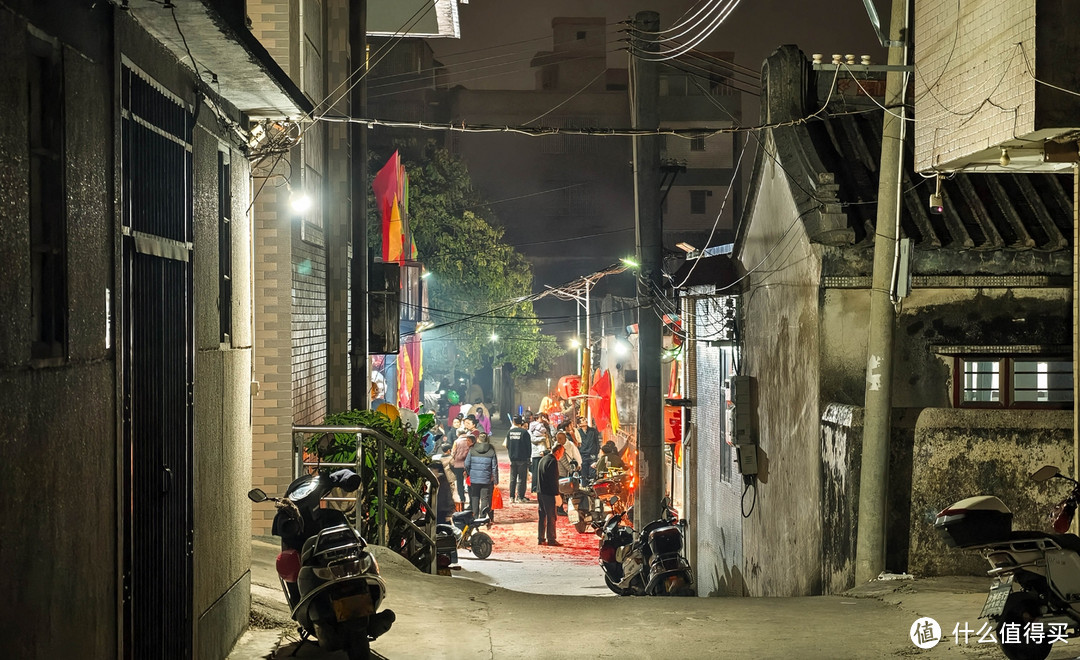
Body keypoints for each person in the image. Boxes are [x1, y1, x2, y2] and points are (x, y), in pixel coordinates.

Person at [464, 431, 499, 519]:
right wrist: (495, 480)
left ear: (478, 439)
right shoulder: (491, 450)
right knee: (484, 498)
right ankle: (482, 516)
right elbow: (494, 467)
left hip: (474, 478)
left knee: (475, 497)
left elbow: (467, 464)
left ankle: (475, 516)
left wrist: (470, 473)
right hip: (486, 479)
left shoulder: (472, 449)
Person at [535, 448, 561, 546]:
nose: (561, 456)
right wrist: (556, 494)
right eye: (561, 453)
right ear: (557, 451)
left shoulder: (543, 459)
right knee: (551, 516)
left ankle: (541, 538)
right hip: (548, 493)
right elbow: (553, 479)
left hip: (540, 491)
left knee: (542, 515)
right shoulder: (552, 461)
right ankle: (551, 539)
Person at [504, 416, 531, 503]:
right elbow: (528, 447)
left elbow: (507, 445)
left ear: (513, 421)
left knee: (512, 478)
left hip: (512, 459)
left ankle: (511, 497)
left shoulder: (510, 432)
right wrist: (528, 457)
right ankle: (520, 497)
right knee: (522, 479)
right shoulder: (524, 432)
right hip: (522, 459)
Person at [450, 429, 473, 507]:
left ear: (458, 434)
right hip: (468, 464)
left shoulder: (456, 442)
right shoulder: (468, 440)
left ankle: (462, 498)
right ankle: (471, 500)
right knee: (469, 481)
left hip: (458, 464)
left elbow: (453, 453)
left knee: (459, 482)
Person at [529, 421, 551, 496]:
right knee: (535, 472)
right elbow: (533, 440)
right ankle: (535, 488)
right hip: (536, 454)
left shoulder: (544, 434)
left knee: (541, 472)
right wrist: (543, 438)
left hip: (543, 453)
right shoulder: (532, 433)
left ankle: (540, 487)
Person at [429, 460, 453, 525]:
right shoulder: (439, 480)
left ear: (437, 470)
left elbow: (448, 497)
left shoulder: (441, 481)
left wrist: (449, 512)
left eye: (432, 470)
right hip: (437, 509)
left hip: (441, 510)